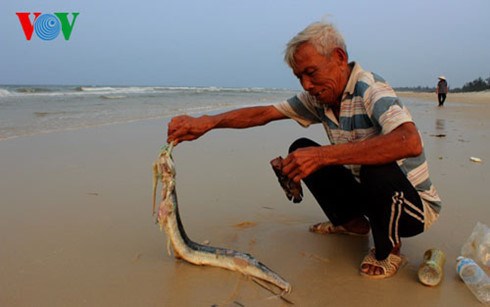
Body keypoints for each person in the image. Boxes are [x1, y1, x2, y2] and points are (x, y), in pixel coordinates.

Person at [167, 21, 442, 279]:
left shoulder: (371, 89)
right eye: (300, 77)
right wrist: (209, 122)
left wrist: (322, 156)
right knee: (301, 149)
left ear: (339, 58)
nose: (306, 85)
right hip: (369, 195)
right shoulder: (319, 98)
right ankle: (353, 224)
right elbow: (264, 113)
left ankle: (389, 249)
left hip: (411, 208)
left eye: (311, 73)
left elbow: (409, 141)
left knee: (370, 164)